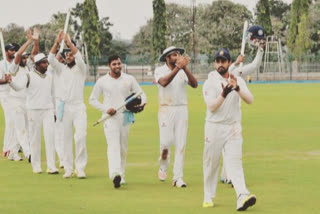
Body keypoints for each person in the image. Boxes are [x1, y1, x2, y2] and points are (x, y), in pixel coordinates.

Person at [202, 48, 256, 211]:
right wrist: (224, 93)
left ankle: (242, 195)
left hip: (233, 127)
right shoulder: (210, 82)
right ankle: (208, 196)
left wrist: (237, 89)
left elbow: (250, 100)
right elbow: (211, 107)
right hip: (214, 127)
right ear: (214, 63)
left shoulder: (237, 80)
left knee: (235, 163)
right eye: (217, 61)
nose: (220, 64)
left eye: (223, 61)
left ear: (228, 62)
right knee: (212, 164)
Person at [89, 55, 147, 188]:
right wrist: (106, 109)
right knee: (113, 145)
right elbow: (92, 99)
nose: (117, 66)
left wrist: (143, 103)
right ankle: (115, 173)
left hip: (125, 116)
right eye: (114, 64)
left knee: (123, 148)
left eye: (119, 63)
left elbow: (141, 93)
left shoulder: (129, 79)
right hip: (110, 118)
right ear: (109, 65)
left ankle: (121, 175)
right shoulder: (102, 81)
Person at [154, 46, 198, 187]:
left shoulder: (182, 70)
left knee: (181, 144)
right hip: (166, 109)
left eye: (179, 54)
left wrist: (184, 68)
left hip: (182, 109)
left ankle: (178, 177)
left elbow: (195, 84)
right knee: (166, 144)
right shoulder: (159, 70)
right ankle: (163, 165)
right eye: (175, 55)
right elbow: (164, 83)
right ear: (167, 57)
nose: (178, 56)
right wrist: (178, 68)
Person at [9, 53, 58, 174]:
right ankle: (36, 166)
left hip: (48, 110)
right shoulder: (28, 76)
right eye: (43, 62)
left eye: (46, 62)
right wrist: (10, 82)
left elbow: (53, 95)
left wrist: (55, 111)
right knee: (35, 140)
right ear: (37, 65)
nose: (46, 64)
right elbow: (18, 87)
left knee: (50, 138)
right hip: (33, 111)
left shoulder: (50, 76)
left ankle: (51, 166)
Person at [48, 31, 88, 179]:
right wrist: (57, 43)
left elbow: (80, 58)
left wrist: (69, 42)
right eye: (67, 55)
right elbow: (51, 58)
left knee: (81, 136)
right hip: (65, 108)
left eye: (71, 54)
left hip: (78, 107)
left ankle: (80, 168)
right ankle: (69, 169)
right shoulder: (61, 69)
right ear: (65, 58)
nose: (70, 56)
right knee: (66, 138)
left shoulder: (81, 69)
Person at [7, 28, 39, 162]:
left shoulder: (28, 67)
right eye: (23, 58)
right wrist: (29, 41)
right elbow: (19, 54)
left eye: (26, 58)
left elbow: (35, 55)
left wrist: (36, 42)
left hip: (27, 102)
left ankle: (12, 152)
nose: (25, 59)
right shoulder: (13, 68)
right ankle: (28, 153)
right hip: (15, 102)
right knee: (21, 130)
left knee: (25, 129)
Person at [0, 43, 19, 157]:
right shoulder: (1, 64)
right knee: (10, 120)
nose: (13, 52)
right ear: (6, 51)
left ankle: (15, 146)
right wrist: (5, 80)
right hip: (4, 94)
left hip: (14, 94)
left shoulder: (14, 64)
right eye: (11, 51)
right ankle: (6, 148)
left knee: (16, 120)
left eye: (14, 50)